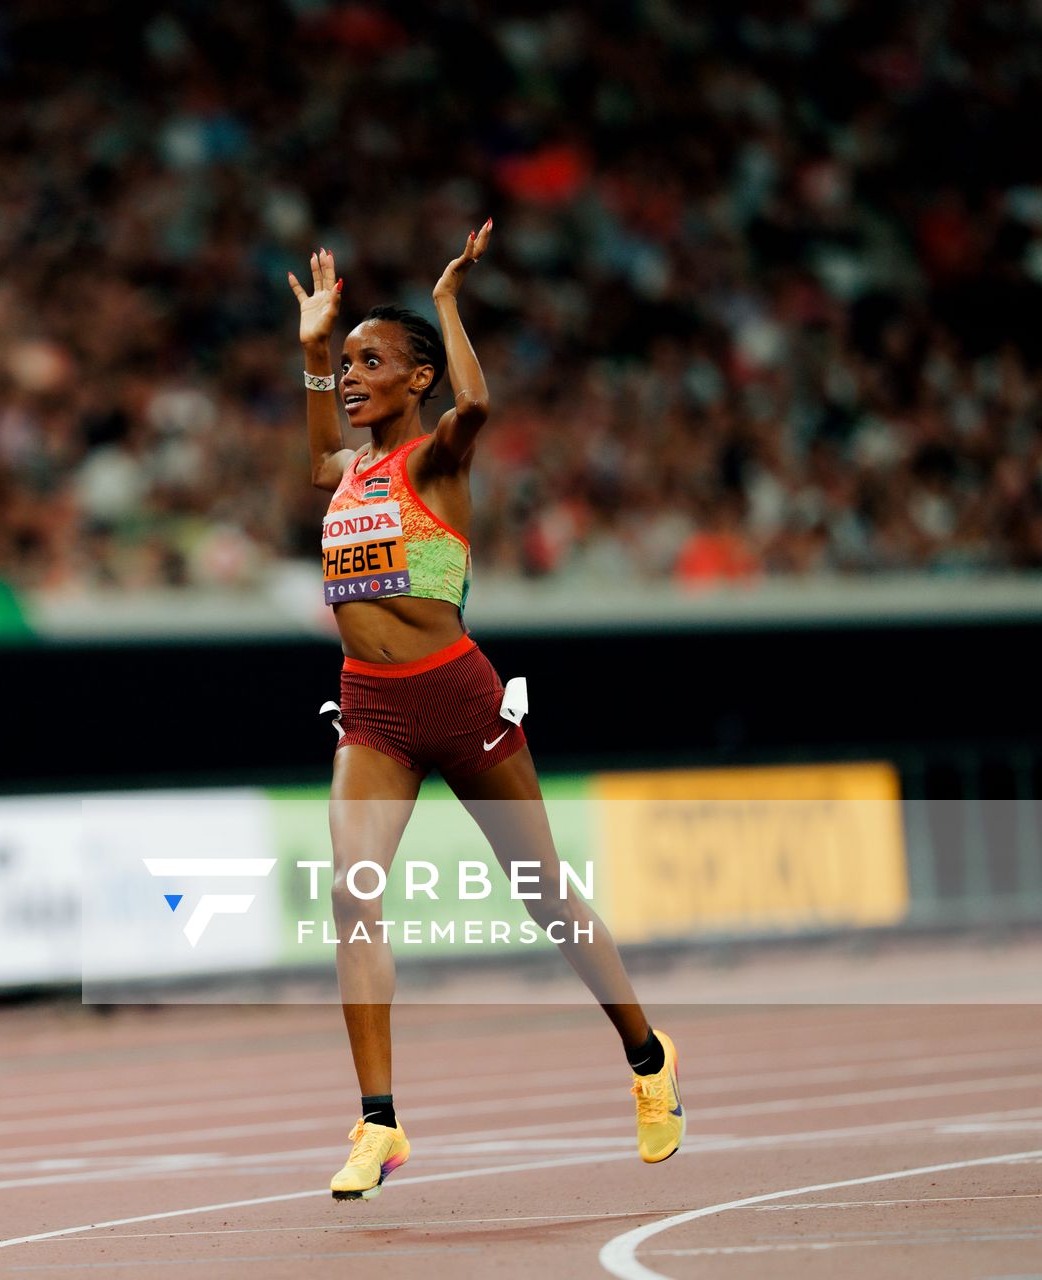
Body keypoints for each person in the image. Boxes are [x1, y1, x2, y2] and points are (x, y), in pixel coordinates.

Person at [286, 227, 685, 1202]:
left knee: (545, 893)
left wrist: (448, 300)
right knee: (351, 892)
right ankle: (379, 1121)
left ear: (416, 379)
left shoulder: (438, 461)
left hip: (460, 697)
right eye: (346, 364)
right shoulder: (347, 469)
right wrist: (308, 352)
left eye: (368, 361)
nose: (351, 376)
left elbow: (480, 402)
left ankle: (647, 1055)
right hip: (374, 707)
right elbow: (314, 458)